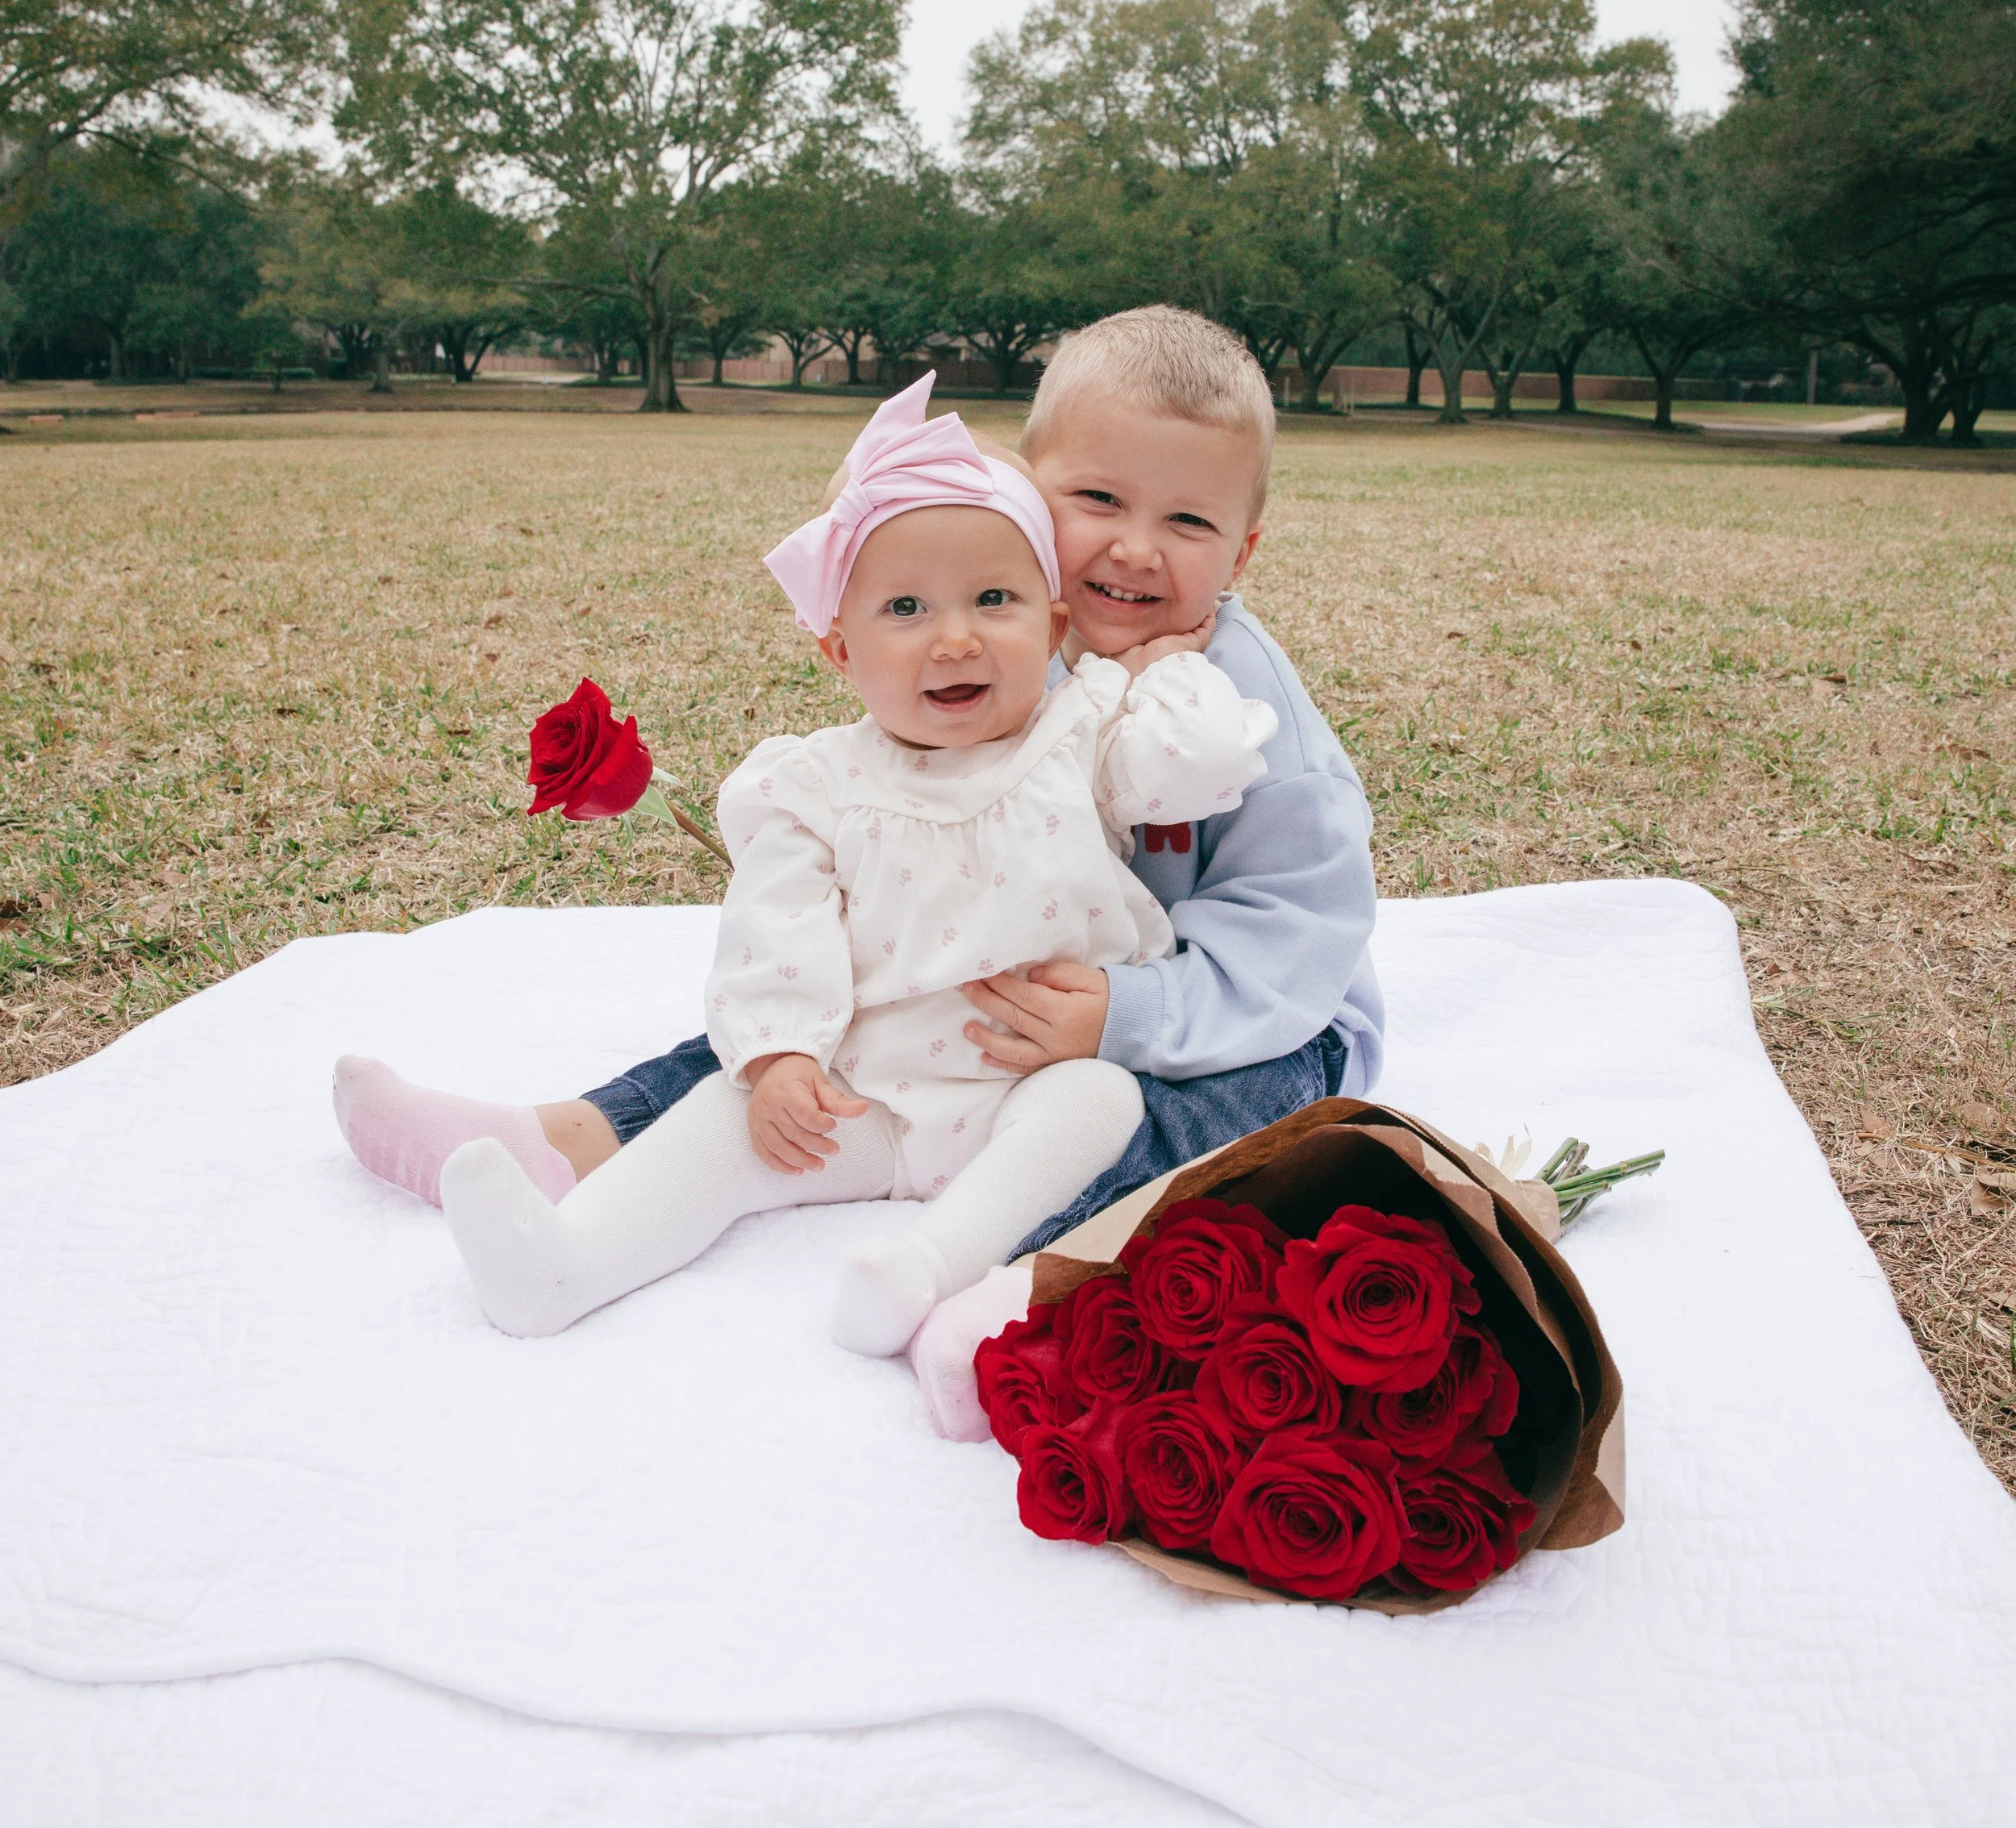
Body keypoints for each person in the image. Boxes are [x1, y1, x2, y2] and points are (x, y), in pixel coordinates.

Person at [337, 305, 1385, 1369]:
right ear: (1027, 493)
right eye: (1098, 499)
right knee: (816, 1022)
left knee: (1154, 1120)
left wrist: (1128, 1015)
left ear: (1244, 546)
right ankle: (561, 1143)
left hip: (1255, 1016)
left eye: (1190, 524)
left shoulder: (1246, 712)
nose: (1134, 547)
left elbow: (1297, 937)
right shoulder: (1012, 627)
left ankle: (1011, 1284)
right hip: (1020, 976)